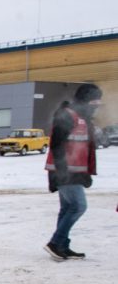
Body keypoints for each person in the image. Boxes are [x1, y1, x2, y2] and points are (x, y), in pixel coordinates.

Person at [44, 83, 102, 260]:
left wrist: (85, 173)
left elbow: (82, 149)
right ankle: (55, 242)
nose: (97, 106)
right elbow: (56, 145)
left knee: (67, 208)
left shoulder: (82, 118)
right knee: (78, 206)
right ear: (86, 101)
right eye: (94, 102)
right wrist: (62, 173)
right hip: (65, 171)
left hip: (73, 172)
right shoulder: (68, 115)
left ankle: (61, 245)